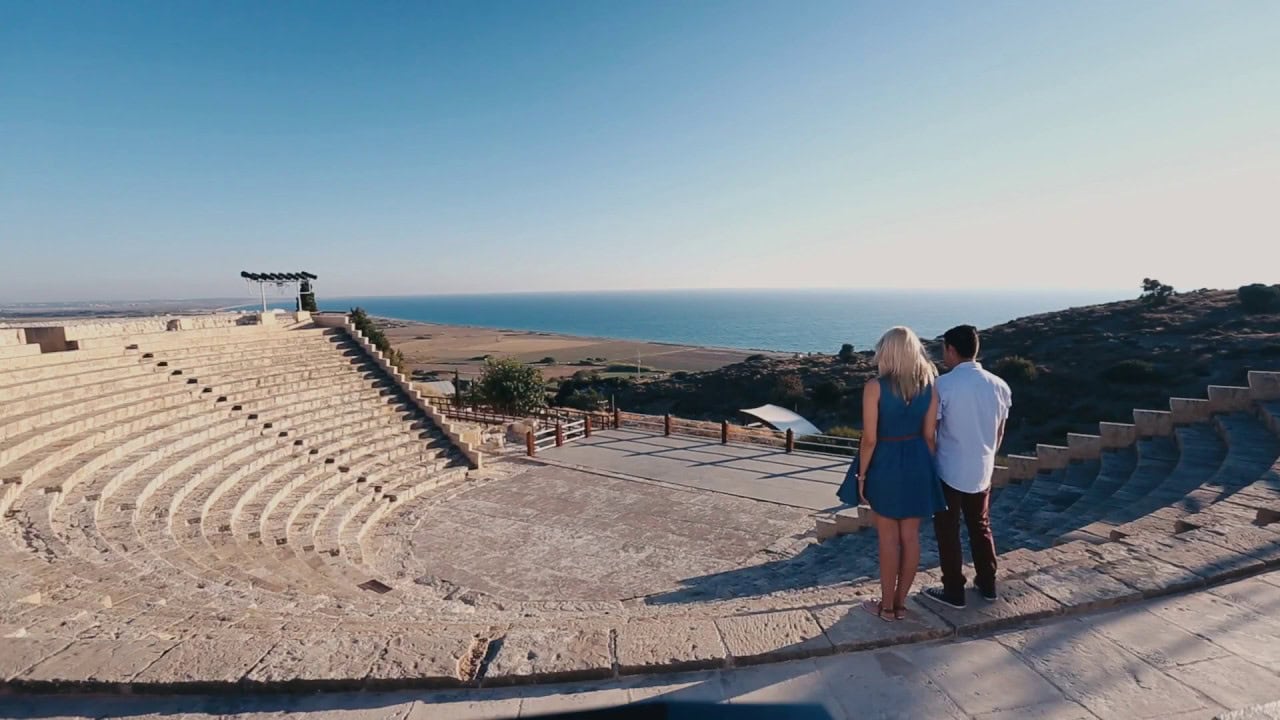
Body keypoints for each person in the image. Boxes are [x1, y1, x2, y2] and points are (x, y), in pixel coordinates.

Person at [852, 326, 947, 622]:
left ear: (887, 352)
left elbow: (870, 439)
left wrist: (862, 476)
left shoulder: (875, 387)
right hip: (918, 460)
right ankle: (900, 605)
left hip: (886, 462)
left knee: (888, 540)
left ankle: (886, 607)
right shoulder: (930, 385)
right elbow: (930, 435)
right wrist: (928, 468)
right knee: (911, 538)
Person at [922, 324, 1012, 609]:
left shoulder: (943, 385)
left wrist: (930, 463)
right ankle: (987, 583)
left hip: (948, 468)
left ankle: (954, 591)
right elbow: (999, 431)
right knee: (981, 526)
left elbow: (930, 432)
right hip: (982, 467)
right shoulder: (1000, 385)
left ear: (950, 349)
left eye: (944, 349)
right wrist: (988, 455)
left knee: (948, 531)